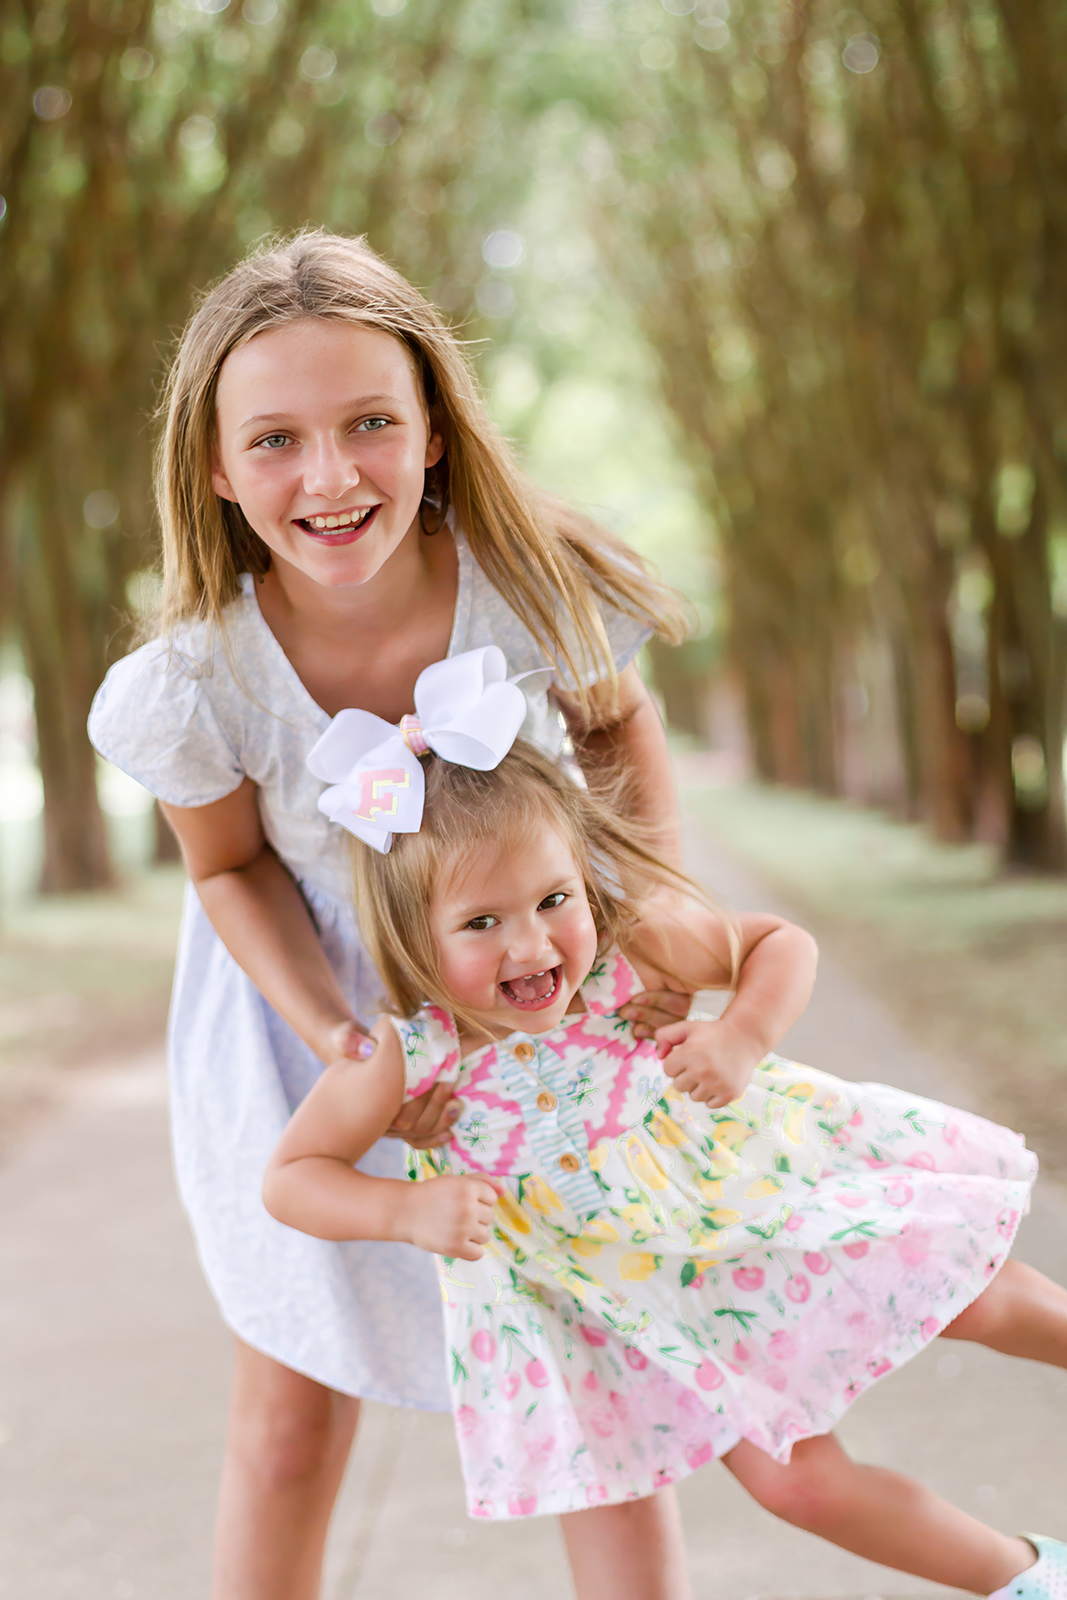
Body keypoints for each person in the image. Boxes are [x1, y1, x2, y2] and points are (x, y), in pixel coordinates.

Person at [87, 230, 696, 1599]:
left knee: (592, 1385)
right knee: (293, 1415)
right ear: (213, 468)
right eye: (275, 441)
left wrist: (648, 913)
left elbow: (618, 730)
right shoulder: (199, 679)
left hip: (521, 1009)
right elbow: (231, 869)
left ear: (431, 429)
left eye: (369, 422)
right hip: (309, 1025)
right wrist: (340, 1031)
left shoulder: (526, 577)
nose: (328, 475)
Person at [264, 709, 1067, 1600]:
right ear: (415, 933)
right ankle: (1028, 1581)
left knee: (956, 1286)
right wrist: (400, 1210)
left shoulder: (626, 957)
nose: (530, 944)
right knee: (798, 1483)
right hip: (638, 1301)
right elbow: (292, 1178)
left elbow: (776, 944)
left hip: (743, 1201)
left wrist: (741, 1034)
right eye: (481, 921)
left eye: (552, 900)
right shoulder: (406, 1058)